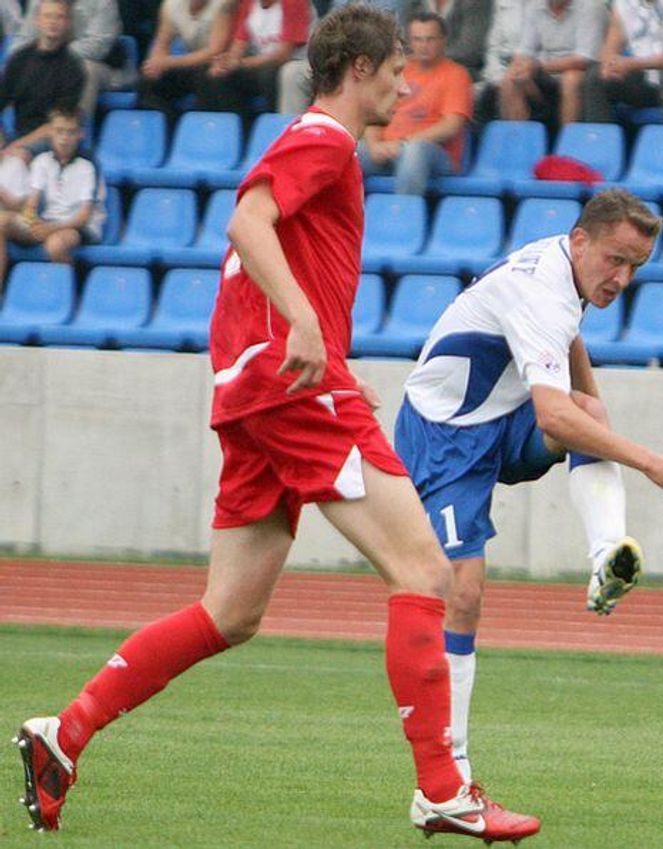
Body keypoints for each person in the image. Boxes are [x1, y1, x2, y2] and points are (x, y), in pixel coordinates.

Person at [14, 7, 540, 844]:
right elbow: (246, 221)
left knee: (231, 611)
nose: (407, 85)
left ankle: (64, 732)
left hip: (260, 387)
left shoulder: (320, 143)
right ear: (361, 66)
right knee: (425, 572)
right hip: (288, 383)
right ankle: (443, 788)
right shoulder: (325, 139)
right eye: (397, 69)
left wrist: (320, 345)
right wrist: (303, 328)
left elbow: (270, 246)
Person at [392, 188, 663, 783]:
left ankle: (606, 558)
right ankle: (450, 761)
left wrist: (595, 415)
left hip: (501, 421)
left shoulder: (566, 270)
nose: (623, 278)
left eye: (636, 266)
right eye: (616, 260)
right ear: (581, 240)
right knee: (463, 593)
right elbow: (555, 418)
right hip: (445, 434)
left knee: (588, 414)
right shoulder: (539, 291)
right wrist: (648, 461)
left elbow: (570, 349)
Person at [358, 11, 473, 194]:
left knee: (414, 151)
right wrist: (374, 144)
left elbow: (451, 126)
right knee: (349, 151)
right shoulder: (396, 71)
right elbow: (376, 117)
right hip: (388, 151)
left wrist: (403, 143)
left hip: (434, 155)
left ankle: (403, 217)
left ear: (443, 40)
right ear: (409, 42)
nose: (424, 46)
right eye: (418, 39)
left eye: (430, 39)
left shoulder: (457, 74)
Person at [0, 108, 105, 286]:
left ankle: (68, 293)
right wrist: (31, 220)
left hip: (76, 226)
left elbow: (84, 216)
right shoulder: (42, 161)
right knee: (1, 221)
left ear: (81, 134)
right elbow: (32, 202)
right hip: (46, 222)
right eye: (59, 131)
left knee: (56, 245)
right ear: (50, 133)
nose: (64, 138)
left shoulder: (88, 165)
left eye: (70, 132)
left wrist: (51, 229)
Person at [11, 0, 134, 119]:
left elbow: (97, 47)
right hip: (51, 63)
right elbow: (21, 42)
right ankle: (27, 130)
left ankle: (75, 132)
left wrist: (50, 58)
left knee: (83, 70)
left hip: (108, 69)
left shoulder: (103, 2)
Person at [498, 0, 608, 129]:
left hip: (585, 73)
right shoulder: (535, 6)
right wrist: (519, 68)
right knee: (510, 78)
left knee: (571, 79)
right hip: (546, 71)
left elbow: (584, 59)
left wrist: (537, 67)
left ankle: (567, 143)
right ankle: (519, 141)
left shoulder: (591, 7)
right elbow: (524, 51)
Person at [195, 0, 311, 121]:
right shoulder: (249, 3)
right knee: (214, 74)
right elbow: (238, 45)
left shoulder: (294, 2)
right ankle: (238, 128)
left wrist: (240, 63)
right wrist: (225, 63)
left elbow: (283, 55)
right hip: (260, 64)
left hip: (292, 64)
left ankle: (274, 124)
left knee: (268, 76)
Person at [0, 0, 86, 160]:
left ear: (67, 23)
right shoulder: (19, 59)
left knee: (17, 158)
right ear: (37, 20)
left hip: (50, 138)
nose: (52, 22)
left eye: (59, 17)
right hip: (17, 133)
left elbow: (59, 123)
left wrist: (15, 146)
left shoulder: (73, 68)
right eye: (48, 16)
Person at [580, 0, 663, 124]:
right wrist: (610, 66)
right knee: (596, 76)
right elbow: (610, 49)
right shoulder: (624, 4)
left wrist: (632, 64)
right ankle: (599, 139)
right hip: (642, 78)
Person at [136, 0, 237, 122]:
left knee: (207, 76)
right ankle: (167, 128)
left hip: (218, 65)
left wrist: (169, 62)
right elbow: (161, 44)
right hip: (190, 64)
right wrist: (155, 65)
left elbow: (215, 51)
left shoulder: (223, 4)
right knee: (148, 81)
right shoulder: (171, 5)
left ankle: (204, 128)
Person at [407, 0, 491, 79]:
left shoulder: (475, 2)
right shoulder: (415, 2)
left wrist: (428, 58)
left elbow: (470, 49)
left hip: (463, 72)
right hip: (420, 70)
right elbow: (407, 39)